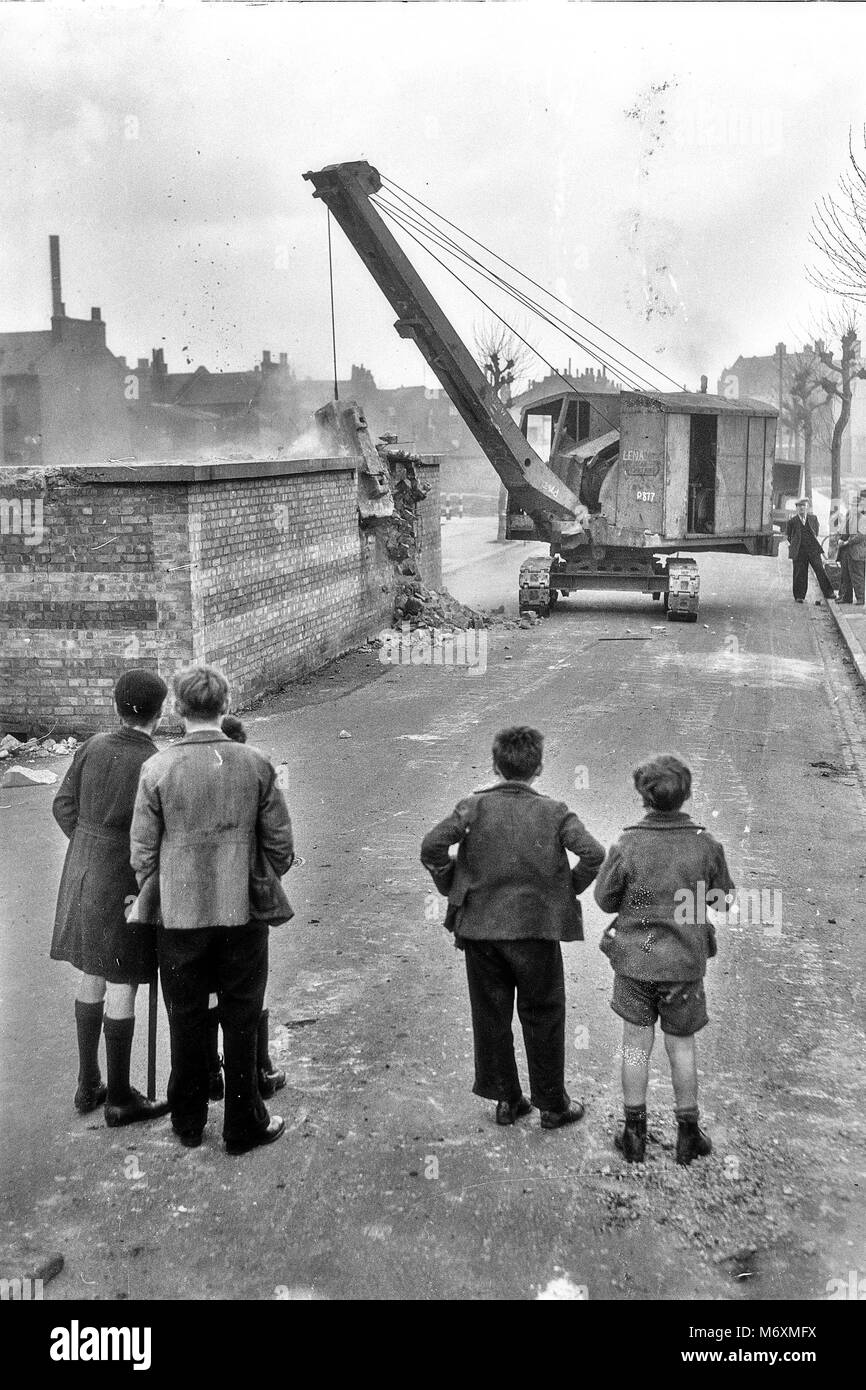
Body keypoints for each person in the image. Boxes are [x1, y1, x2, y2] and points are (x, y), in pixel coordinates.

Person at [130, 665, 294, 1154]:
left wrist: (161, 888)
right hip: (242, 914)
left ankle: (187, 1120)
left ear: (179, 709)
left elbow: (141, 851)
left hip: (179, 919)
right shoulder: (256, 763)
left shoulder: (156, 769)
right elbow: (281, 847)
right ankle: (243, 1123)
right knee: (241, 1018)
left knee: (185, 1017)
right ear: (225, 705)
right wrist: (257, 877)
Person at [420, 726, 604, 1130]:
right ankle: (553, 1106)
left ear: (494, 765)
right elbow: (594, 854)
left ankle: (507, 1099)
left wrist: (454, 888)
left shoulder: (472, 806)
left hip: (482, 931)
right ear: (538, 768)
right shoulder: (556, 811)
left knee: (491, 1015)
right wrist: (563, 890)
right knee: (544, 1014)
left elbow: (431, 846)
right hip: (536, 931)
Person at [593, 755, 734, 1166]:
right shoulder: (705, 844)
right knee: (682, 1046)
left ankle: (634, 1133)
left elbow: (604, 900)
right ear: (687, 794)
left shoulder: (628, 844)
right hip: (684, 966)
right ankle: (688, 1135)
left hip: (637, 962)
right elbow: (722, 901)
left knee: (635, 1045)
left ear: (643, 798)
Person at [51, 669, 171, 1126]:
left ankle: (88, 1085)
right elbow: (158, 836)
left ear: (115, 705)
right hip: (123, 878)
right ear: (159, 715)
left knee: (93, 972)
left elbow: (62, 805)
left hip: (82, 873)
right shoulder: (154, 762)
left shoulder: (91, 746)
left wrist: (87, 845)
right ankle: (120, 1097)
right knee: (123, 979)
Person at [203, 714, 286, 1103]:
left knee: (207, 987)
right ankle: (259, 1069)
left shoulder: (183, 772)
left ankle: (208, 1073)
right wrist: (265, 877)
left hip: (196, 901)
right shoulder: (255, 771)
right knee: (251, 987)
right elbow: (280, 846)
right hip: (245, 898)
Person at [786, 498, 835, 604]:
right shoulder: (792, 521)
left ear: (807, 507)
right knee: (800, 573)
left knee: (820, 570)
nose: (802, 508)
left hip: (813, 550)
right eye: (799, 506)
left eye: (803, 506)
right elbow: (789, 536)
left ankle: (829, 593)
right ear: (797, 509)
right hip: (799, 551)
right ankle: (799, 596)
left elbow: (816, 532)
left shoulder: (813, 518)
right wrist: (796, 545)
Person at [836, 490, 866, 606]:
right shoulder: (849, 516)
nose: (853, 508)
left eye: (855, 506)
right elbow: (842, 530)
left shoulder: (863, 518)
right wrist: (840, 539)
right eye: (852, 506)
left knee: (858, 575)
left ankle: (860, 598)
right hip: (846, 550)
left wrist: (847, 542)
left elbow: (861, 535)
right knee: (845, 574)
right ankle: (846, 597)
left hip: (857, 551)